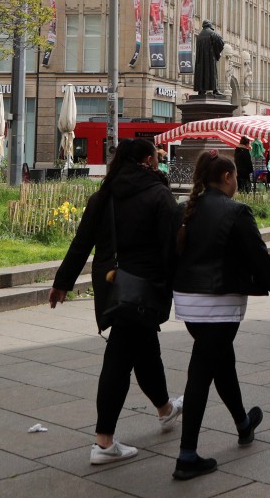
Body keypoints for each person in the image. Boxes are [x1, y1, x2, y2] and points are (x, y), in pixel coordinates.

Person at [48, 138, 183, 466]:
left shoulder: (103, 197)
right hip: (144, 288)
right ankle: (104, 442)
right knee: (120, 359)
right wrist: (181, 286)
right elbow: (172, 248)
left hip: (112, 286)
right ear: (149, 160)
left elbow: (82, 244)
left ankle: (165, 409)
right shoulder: (159, 195)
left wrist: (62, 283)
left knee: (146, 350)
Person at [170, 151, 270, 480]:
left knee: (222, 363)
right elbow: (259, 257)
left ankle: (243, 424)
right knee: (201, 374)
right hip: (219, 303)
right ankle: (186, 455)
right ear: (226, 178)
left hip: (188, 303)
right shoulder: (236, 211)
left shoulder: (185, 209)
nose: (237, 182)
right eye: (235, 176)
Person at [193, 20, 225, 97]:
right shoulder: (212, 33)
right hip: (210, 58)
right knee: (212, 72)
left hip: (200, 60)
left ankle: (201, 90)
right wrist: (217, 53)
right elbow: (221, 43)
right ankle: (215, 90)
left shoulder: (199, 35)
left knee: (201, 73)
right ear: (210, 26)